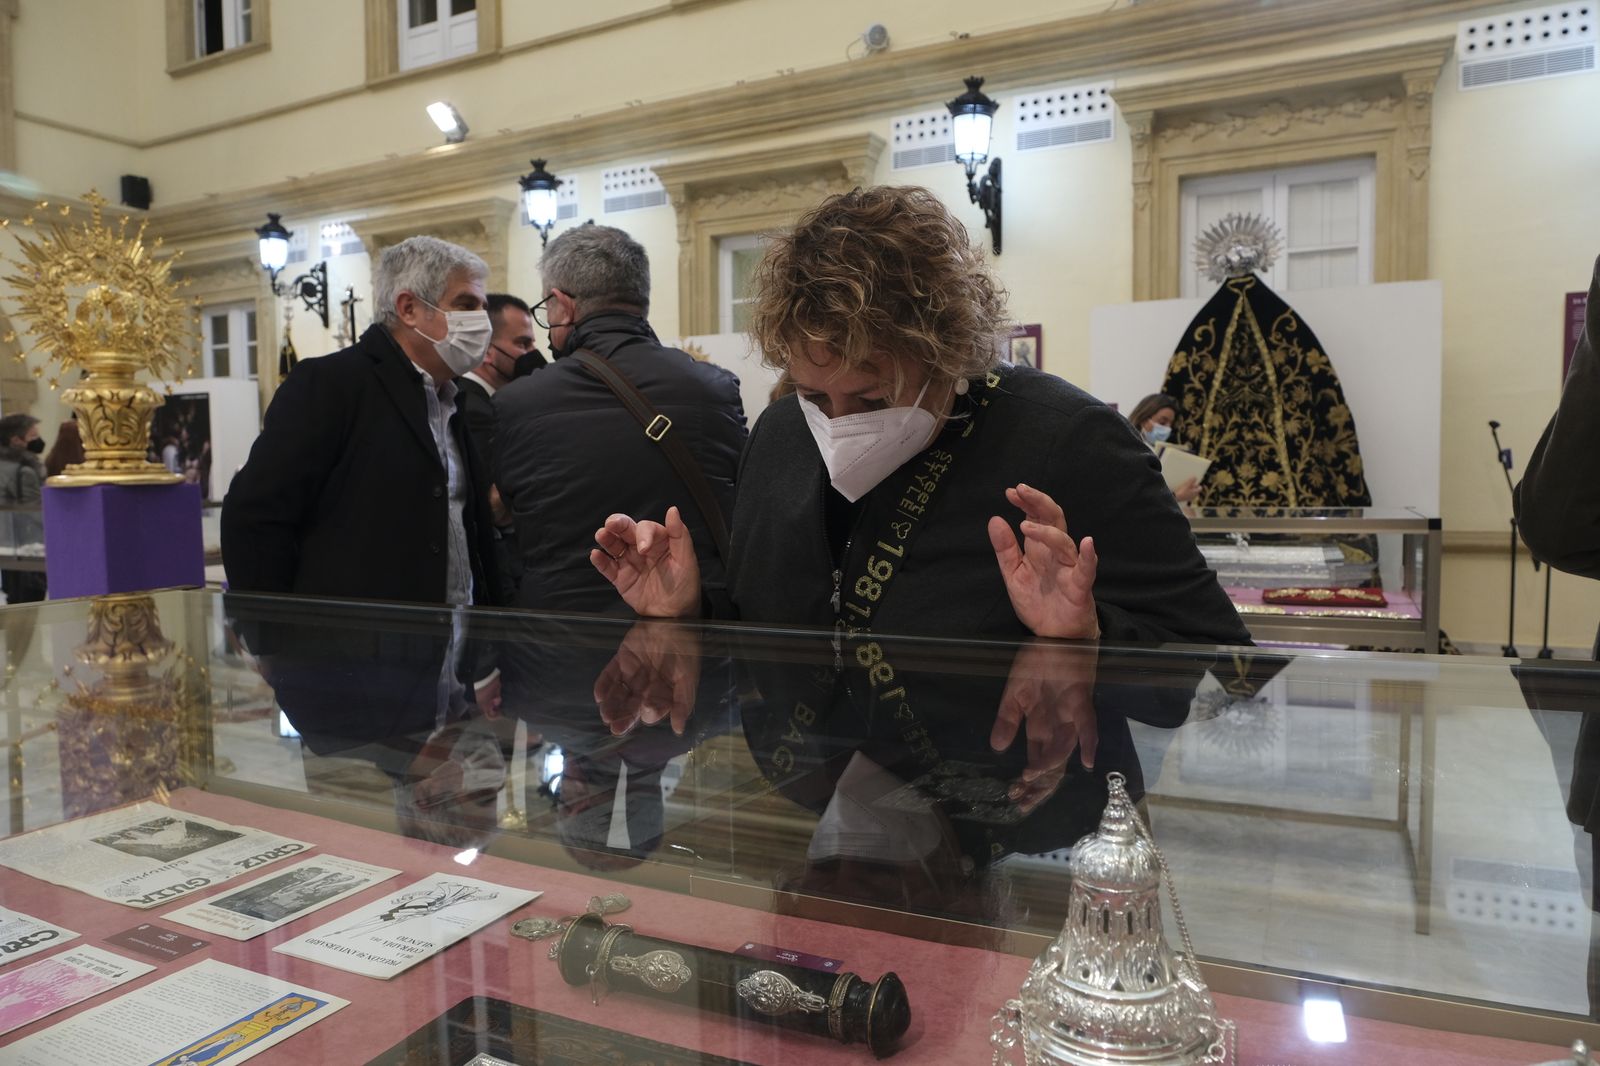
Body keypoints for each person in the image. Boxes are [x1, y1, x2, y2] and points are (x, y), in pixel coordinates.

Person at [591, 185, 1247, 648]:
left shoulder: (1070, 438)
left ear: (948, 351)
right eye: (817, 394)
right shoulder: (781, 434)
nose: (838, 424)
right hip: (809, 821)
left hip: (1004, 831)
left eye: (873, 399)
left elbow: (1219, 656)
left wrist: (1089, 634)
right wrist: (688, 613)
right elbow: (773, 624)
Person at [222, 234, 502, 608]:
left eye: (482, 306)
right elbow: (255, 516)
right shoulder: (330, 384)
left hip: (456, 649)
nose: (481, 320)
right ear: (408, 309)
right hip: (352, 651)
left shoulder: (452, 396)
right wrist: (273, 636)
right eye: (465, 304)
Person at [494, 224, 747, 614]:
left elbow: (509, 514)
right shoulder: (713, 388)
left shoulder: (516, 403)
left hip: (562, 639)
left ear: (563, 304)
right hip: (689, 632)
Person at [456, 293, 542, 603]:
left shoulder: (491, 403)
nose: (532, 354)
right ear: (488, 352)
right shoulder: (475, 407)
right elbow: (495, 501)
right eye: (522, 344)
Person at [0, 413, 46, 604]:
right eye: (32, 436)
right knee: (28, 601)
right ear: (16, 440)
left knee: (15, 598)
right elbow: (34, 513)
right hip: (28, 548)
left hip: (7, 545)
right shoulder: (25, 470)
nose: (38, 440)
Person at [1127, 392, 1198, 504]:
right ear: (1144, 418)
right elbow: (1136, 500)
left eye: (1171, 424)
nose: (1168, 429)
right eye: (1162, 422)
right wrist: (1177, 496)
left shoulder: (1156, 450)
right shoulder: (1129, 449)